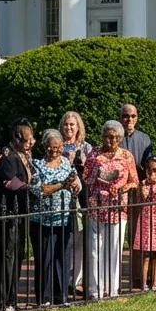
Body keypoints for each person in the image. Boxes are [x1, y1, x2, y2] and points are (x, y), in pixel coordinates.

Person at [83, 120, 139, 298]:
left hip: (117, 207)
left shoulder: (126, 156)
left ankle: (113, 289)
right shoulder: (94, 154)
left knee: (114, 249)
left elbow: (134, 181)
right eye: (106, 136)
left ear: (120, 138)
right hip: (97, 205)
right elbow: (86, 179)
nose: (110, 140)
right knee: (95, 249)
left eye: (114, 137)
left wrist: (123, 187)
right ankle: (95, 290)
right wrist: (96, 175)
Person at [0, 118, 34, 311]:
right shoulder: (7, 155)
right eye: (26, 140)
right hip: (4, 213)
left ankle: (12, 300)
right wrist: (32, 188)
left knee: (18, 255)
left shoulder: (24, 154)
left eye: (32, 139)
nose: (31, 143)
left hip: (19, 212)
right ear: (16, 138)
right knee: (6, 256)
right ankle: (1, 301)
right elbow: (12, 181)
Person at [30, 129, 80, 306]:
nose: (55, 151)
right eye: (51, 147)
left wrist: (74, 185)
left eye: (58, 147)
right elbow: (39, 190)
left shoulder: (66, 162)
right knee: (45, 259)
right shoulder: (36, 164)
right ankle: (44, 298)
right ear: (44, 146)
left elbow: (76, 183)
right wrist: (62, 185)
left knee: (62, 258)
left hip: (64, 218)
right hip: (42, 220)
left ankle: (62, 296)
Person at [59, 111, 92, 298]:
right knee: (66, 239)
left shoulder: (86, 147)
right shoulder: (57, 146)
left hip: (81, 195)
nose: (69, 128)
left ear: (78, 127)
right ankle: (64, 276)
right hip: (62, 195)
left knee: (79, 239)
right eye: (66, 125)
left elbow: (92, 171)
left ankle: (76, 280)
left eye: (72, 125)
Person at [132, 157, 156, 291]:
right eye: (149, 170)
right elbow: (138, 203)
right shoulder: (142, 184)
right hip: (146, 218)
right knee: (146, 253)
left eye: (155, 170)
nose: (152, 173)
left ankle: (154, 282)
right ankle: (144, 283)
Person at [118, 103, 155, 180]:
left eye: (133, 116)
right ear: (120, 118)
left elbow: (147, 162)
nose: (130, 119)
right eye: (126, 116)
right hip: (118, 178)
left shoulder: (144, 138)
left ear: (137, 117)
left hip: (138, 179)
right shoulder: (114, 137)